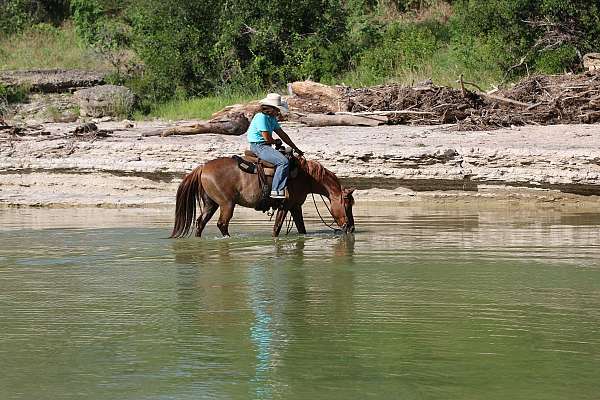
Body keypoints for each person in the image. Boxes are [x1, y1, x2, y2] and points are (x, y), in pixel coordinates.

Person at [246, 93, 304, 199]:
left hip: (265, 146)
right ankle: (276, 190)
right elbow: (267, 138)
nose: (278, 112)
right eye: (277, 109)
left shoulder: (271, 118)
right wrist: (276, 141)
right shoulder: (261, 118)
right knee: (283, 162)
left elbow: (282, 134)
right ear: (271, 109)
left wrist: (295, 148)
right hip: (259, 147)